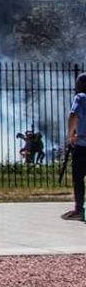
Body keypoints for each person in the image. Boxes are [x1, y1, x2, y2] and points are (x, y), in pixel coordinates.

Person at [62, 73, 86, 220]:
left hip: (83, 145)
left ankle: (79, 210)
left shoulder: (81, 98)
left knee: (78, 178)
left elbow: (73, 115)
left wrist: (70, 135)